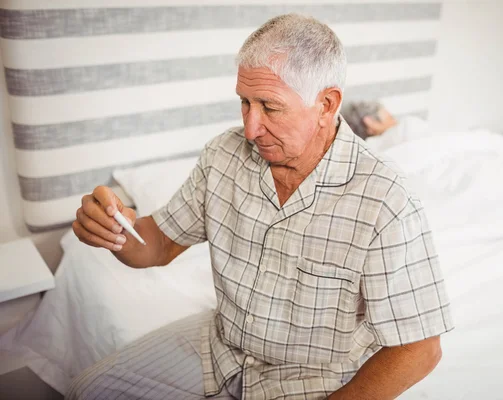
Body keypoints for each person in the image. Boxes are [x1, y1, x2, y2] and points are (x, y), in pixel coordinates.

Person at [68, 13, 453, 400]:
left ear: (326, 104)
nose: (250, 128)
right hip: (221, 346)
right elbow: (157, 244)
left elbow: (419, 349)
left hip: (315, 380)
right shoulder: (223, 154)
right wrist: (114, 230)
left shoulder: (385, 199)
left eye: (270, 107)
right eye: (244, 103)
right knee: (90, 390)